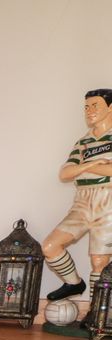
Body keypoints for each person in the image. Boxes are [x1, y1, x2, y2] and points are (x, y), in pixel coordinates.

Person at [42, 88, 112, 325]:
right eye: (86, 107)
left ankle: (96, 311)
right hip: (83, 200)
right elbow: (65, 173)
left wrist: (86, 166)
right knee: (51, 245)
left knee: (99, 261)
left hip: (108, 200)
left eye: (95, 106)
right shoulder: (83, 141)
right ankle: (73, 282)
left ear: (110, 108)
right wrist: (89, 166)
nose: (90, 111)